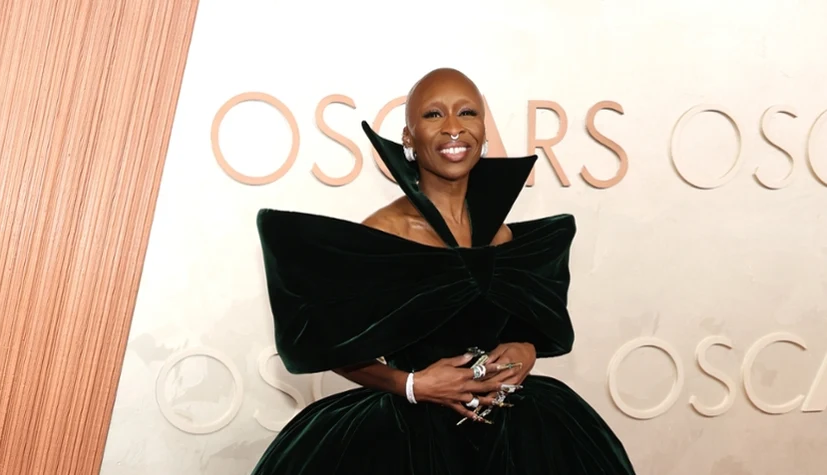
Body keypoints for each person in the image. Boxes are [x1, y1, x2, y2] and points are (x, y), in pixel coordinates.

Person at [251, 68, 636, 474]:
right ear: (408, 138)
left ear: (483, 133)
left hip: (511, 430)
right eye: (433, 114)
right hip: (405, 437)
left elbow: (514, 324)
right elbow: (328, 343)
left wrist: (526, 350)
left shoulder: (500, 235)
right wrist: (412, 385)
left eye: (467, 113)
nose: (453, 127)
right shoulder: (385, 233)